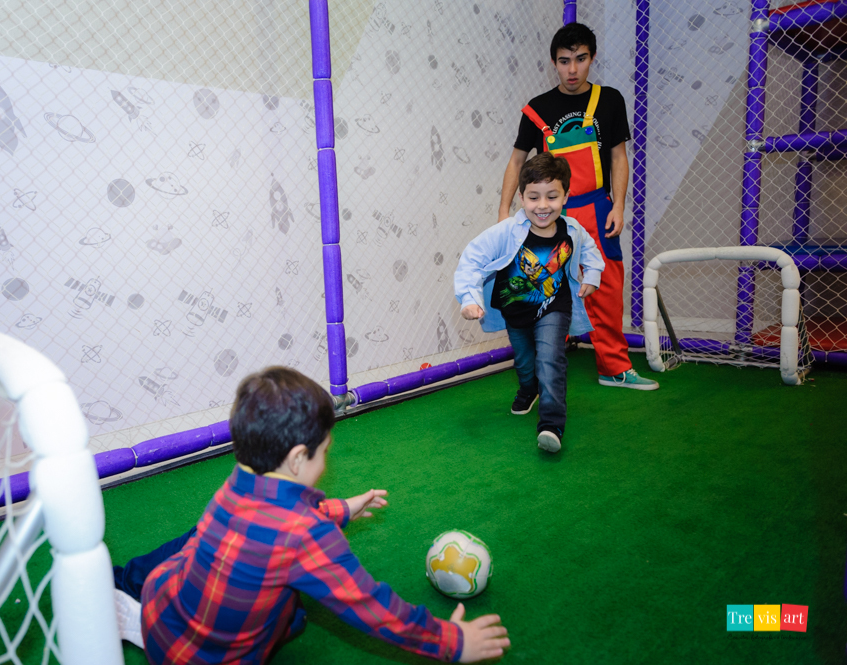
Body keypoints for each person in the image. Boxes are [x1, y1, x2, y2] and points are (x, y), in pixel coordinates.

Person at [111, 366, 510, 664]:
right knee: (294, 612)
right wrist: (452, 642)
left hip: (165, 606)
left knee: (218, 552)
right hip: (200, 657)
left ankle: (135, 610)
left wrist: (341, 509)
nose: (325, 461)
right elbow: (373, 607)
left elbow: (278, 517)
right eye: (325, 452)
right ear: (299, 458)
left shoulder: (238, 480)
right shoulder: (305, 534)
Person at [497, 22, 659, 391]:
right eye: (564, 60)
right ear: (554, 62)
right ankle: (533, 377)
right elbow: (516, 161)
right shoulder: (537, 108)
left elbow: (619, 157)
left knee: (605, 286)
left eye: (581, 59)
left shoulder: (610, 100)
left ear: (592, 58)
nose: (572, 70)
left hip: (597, 209)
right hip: (547, 215)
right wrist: (504, 211)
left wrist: (618, 205)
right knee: (536, 287)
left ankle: (614, 368)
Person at [456, 153, 604, 453]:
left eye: (552, 196)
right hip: (515, 310)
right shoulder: (507, 231)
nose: (543, 206)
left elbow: (590, 250)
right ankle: (528, 388)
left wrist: (593, 273)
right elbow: (472, 259)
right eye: (534, 197)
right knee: (525, 364)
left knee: (550, 359)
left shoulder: (572, 230)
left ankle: (551, 424)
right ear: (521, 197)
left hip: (554, 305)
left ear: (566, 195)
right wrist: (469, 298)